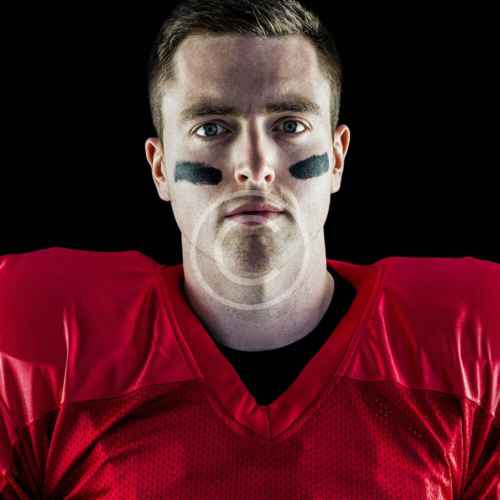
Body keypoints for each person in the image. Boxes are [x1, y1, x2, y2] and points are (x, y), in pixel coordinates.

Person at [0, 0, 498, 498]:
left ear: (338, 157)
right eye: (212, 128)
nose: (254, 167)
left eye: (290, 125)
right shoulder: (49, 344)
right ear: (159, 167)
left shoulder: (468, 347)